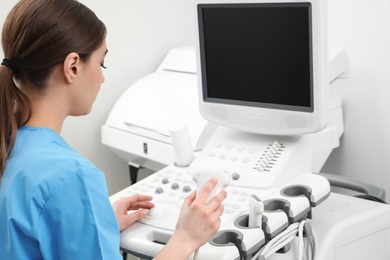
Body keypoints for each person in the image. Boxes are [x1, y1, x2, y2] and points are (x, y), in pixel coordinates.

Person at [0, 0, 227, 259]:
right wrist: (185, 239)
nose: (102, 77)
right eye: (101, 63)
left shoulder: (7, 143)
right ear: (72, 67)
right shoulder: (73, 176)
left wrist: (98, 224)